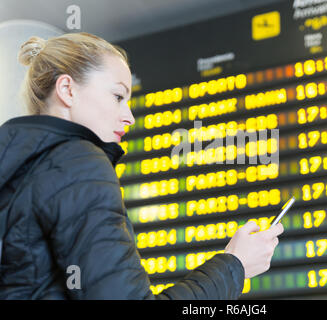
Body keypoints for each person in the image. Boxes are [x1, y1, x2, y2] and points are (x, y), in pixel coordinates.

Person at [0, 32, 284, 299]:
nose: (129, 117)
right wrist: (236, 265)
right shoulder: (79, 162)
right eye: (118, 96)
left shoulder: (16, 168)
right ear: (67, 90)